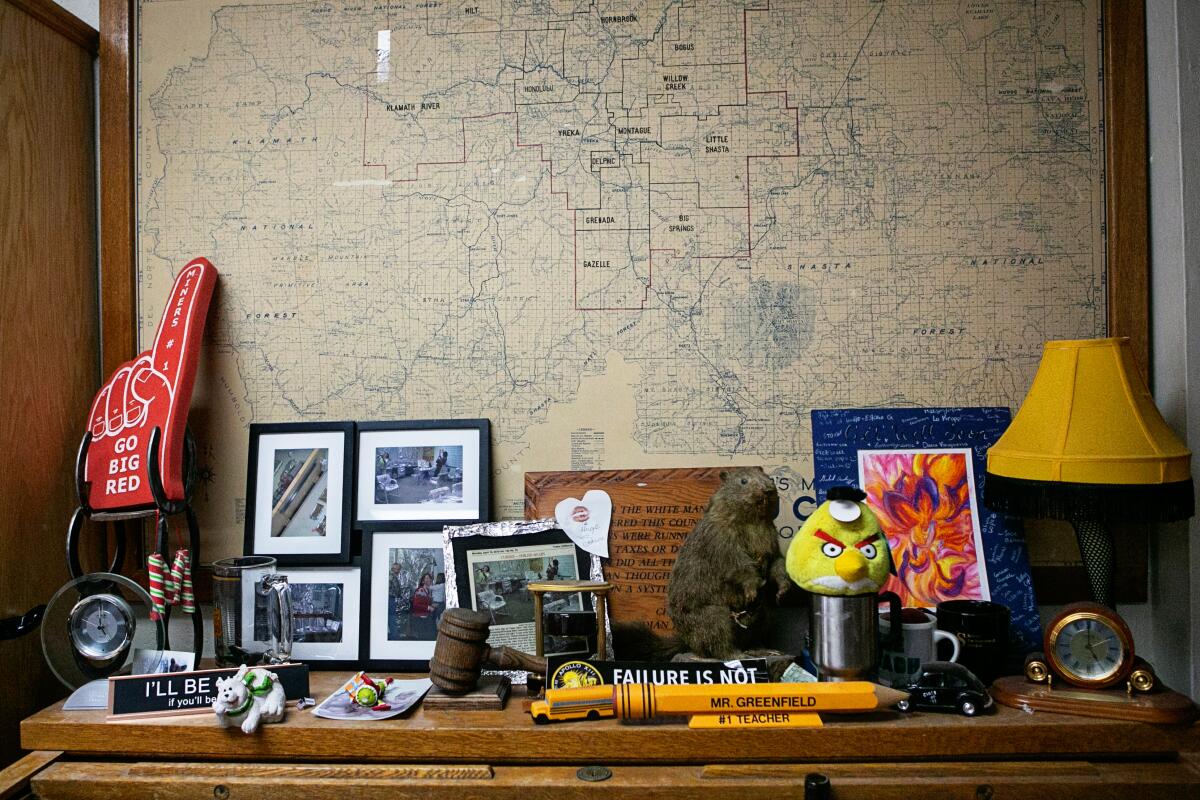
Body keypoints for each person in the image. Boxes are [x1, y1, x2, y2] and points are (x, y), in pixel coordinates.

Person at [411, 573, 435, 639]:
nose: (428, 580)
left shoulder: (428, 591)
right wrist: (428, 607)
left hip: (425, 618)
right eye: (426, 578)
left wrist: (431, 605)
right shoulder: (420, 590)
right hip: (420, 619)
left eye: (429, 578)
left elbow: (424, 602)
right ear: (423, 581)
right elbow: (415, 605)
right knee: (422, 637)